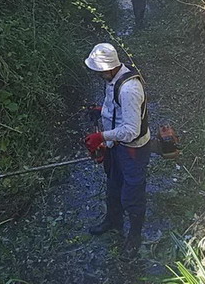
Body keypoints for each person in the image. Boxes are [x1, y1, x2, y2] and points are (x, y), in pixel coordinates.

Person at [84, 43, 151, 261]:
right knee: (113, 187)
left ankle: (134, 237)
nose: (98, 74)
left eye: (99, 70)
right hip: (117, 146)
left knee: (132, 195)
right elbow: (116, 108)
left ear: (109, 67)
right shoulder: (114, 78)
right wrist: (101, 111)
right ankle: (113, 221)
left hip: (133, 150)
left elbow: (131, 131)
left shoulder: (130, 90)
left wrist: (101, 137)